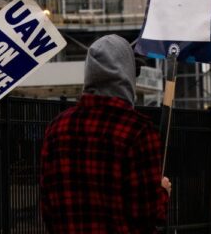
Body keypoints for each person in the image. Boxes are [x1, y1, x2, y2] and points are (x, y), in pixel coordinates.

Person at [40, 34, 171, 233]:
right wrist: (162, 192)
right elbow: (147, 215)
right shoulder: (138, 131)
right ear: (126, 74)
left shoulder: (57, 128)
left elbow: (47, 207)